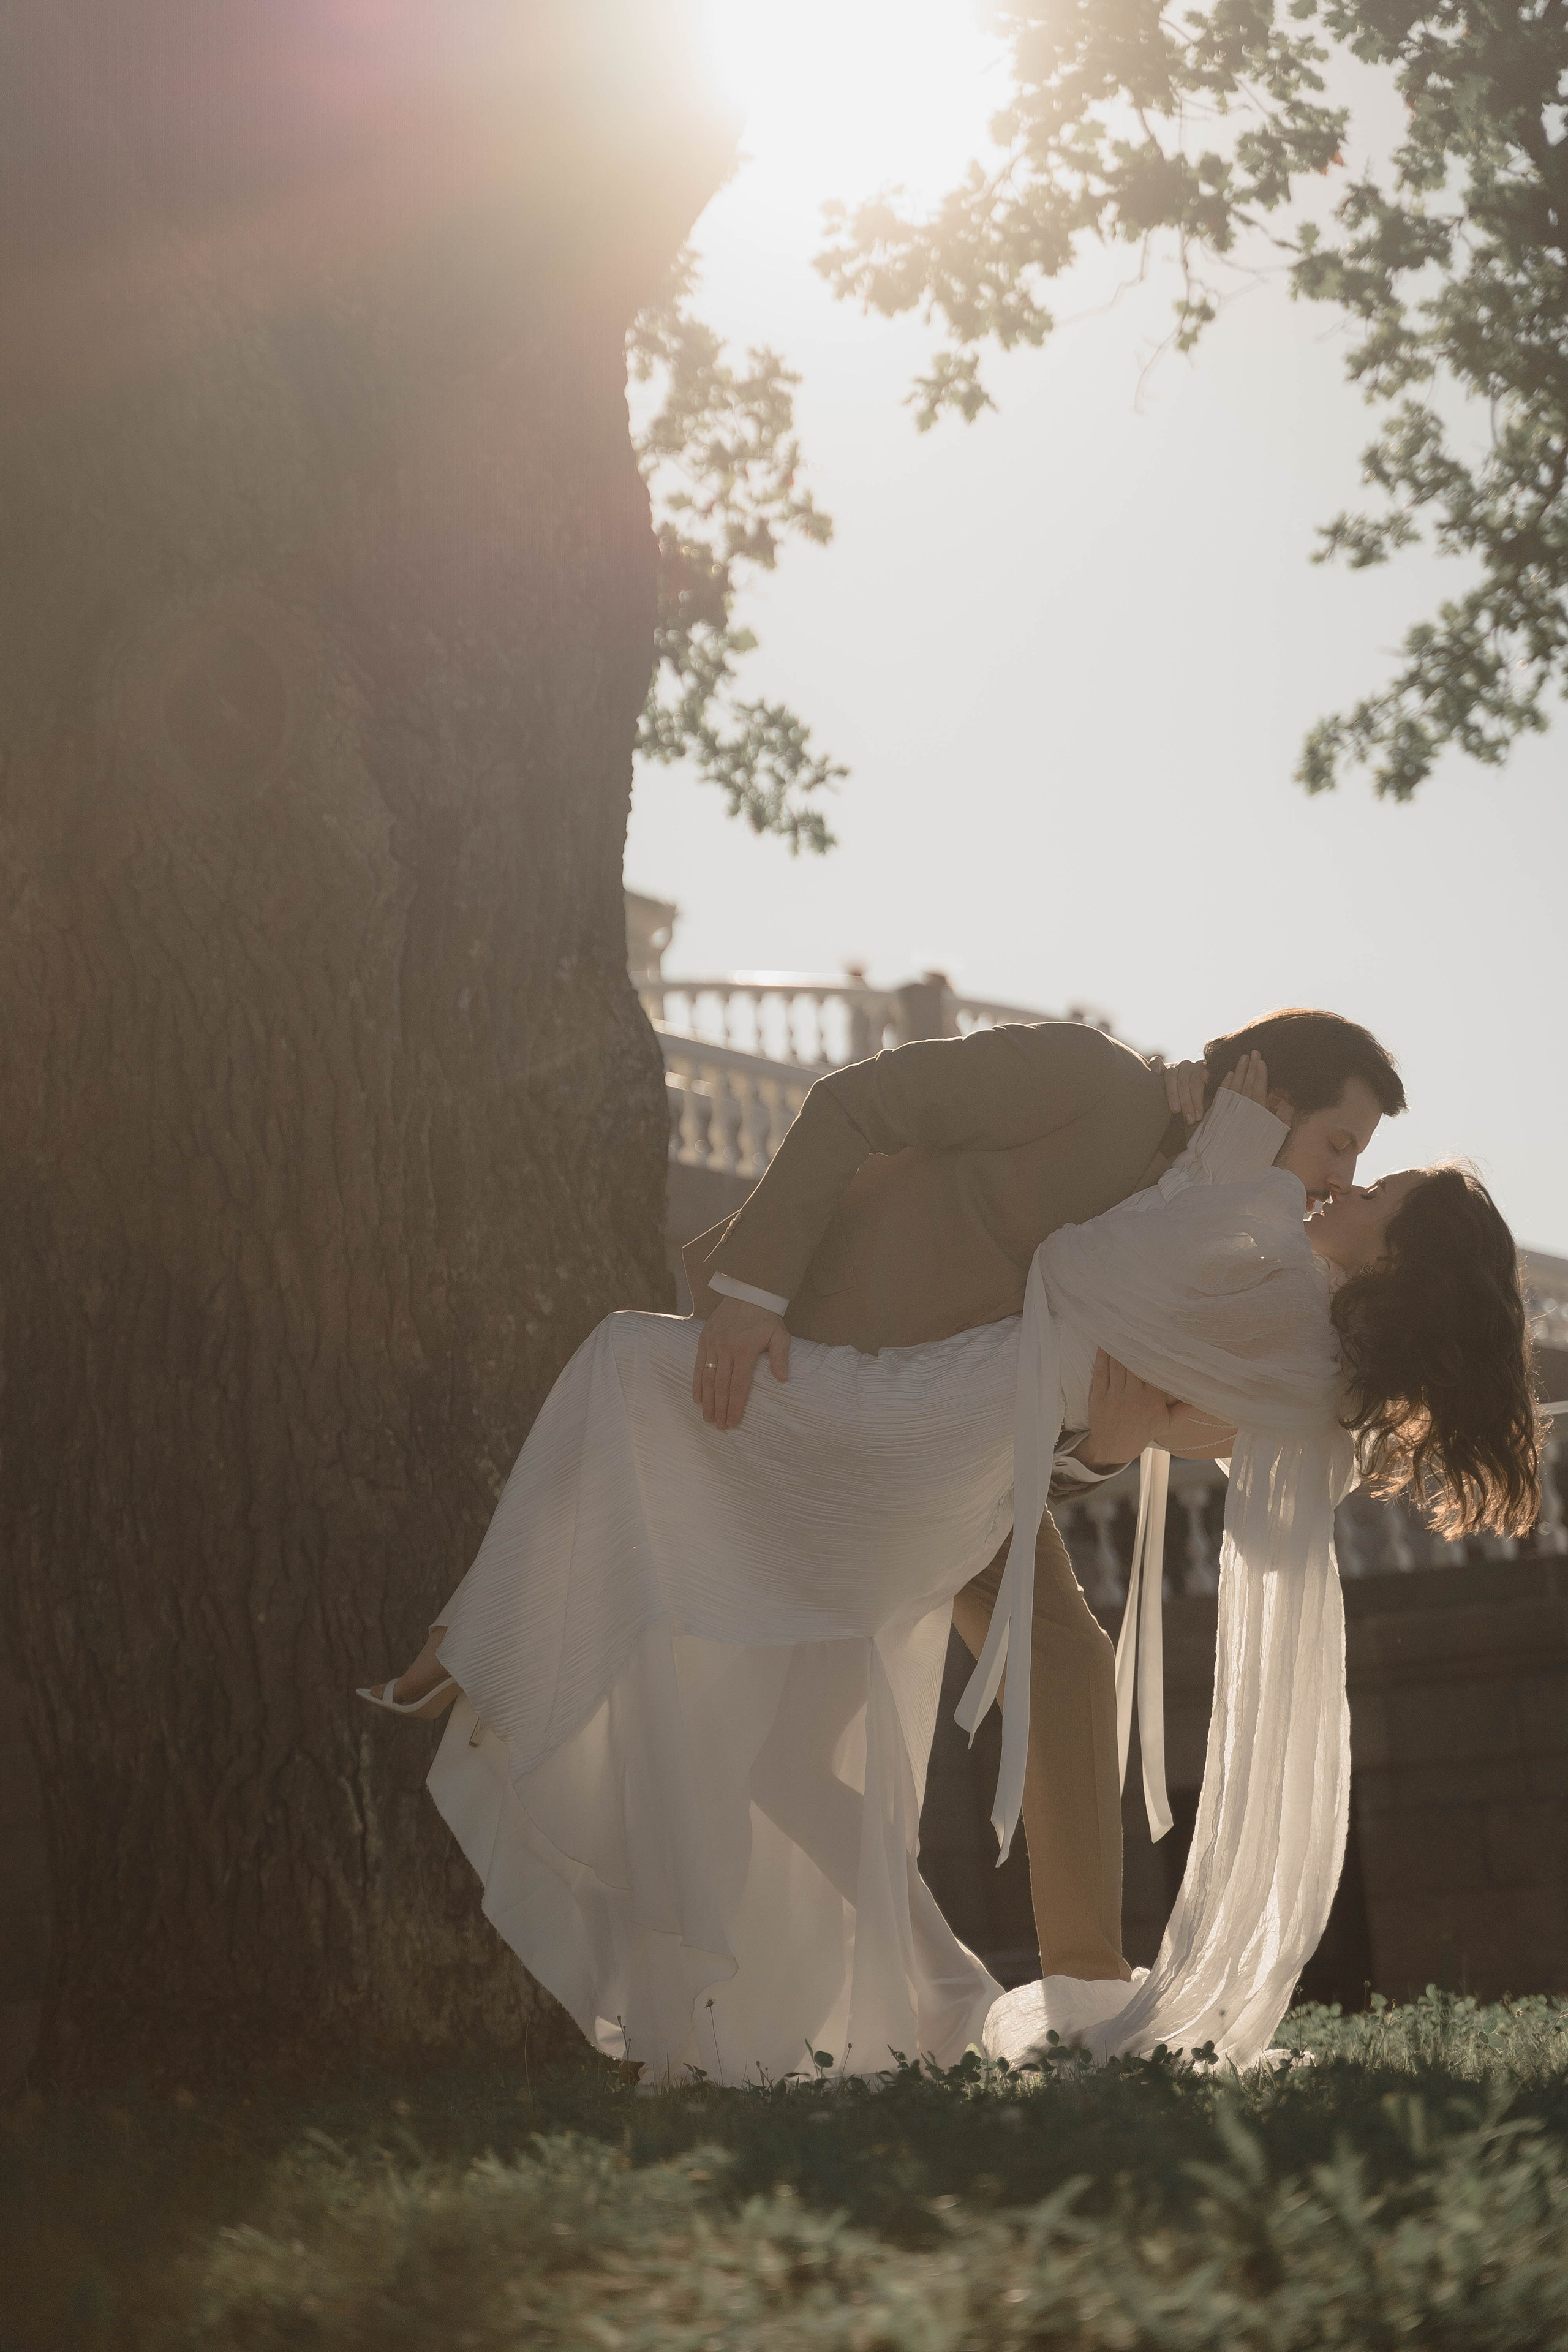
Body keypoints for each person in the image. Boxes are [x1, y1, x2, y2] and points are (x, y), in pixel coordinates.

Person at [359, 1042, 1540, 2078]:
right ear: (1273, 1092)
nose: (1341, 1180)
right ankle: (950, 1991)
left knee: (625, 1368)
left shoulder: (1276, 1278)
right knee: (783, 1746)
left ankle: (481, 1652)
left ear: (1399, 1264)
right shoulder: (1160, 1153)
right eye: (1342, 1147)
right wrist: (1211, 1174)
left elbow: (1093, 1275)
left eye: (1370, 1180)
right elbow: (890, 1129)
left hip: (941, 1437)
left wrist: (1230, 1166)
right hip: (933, 1412)